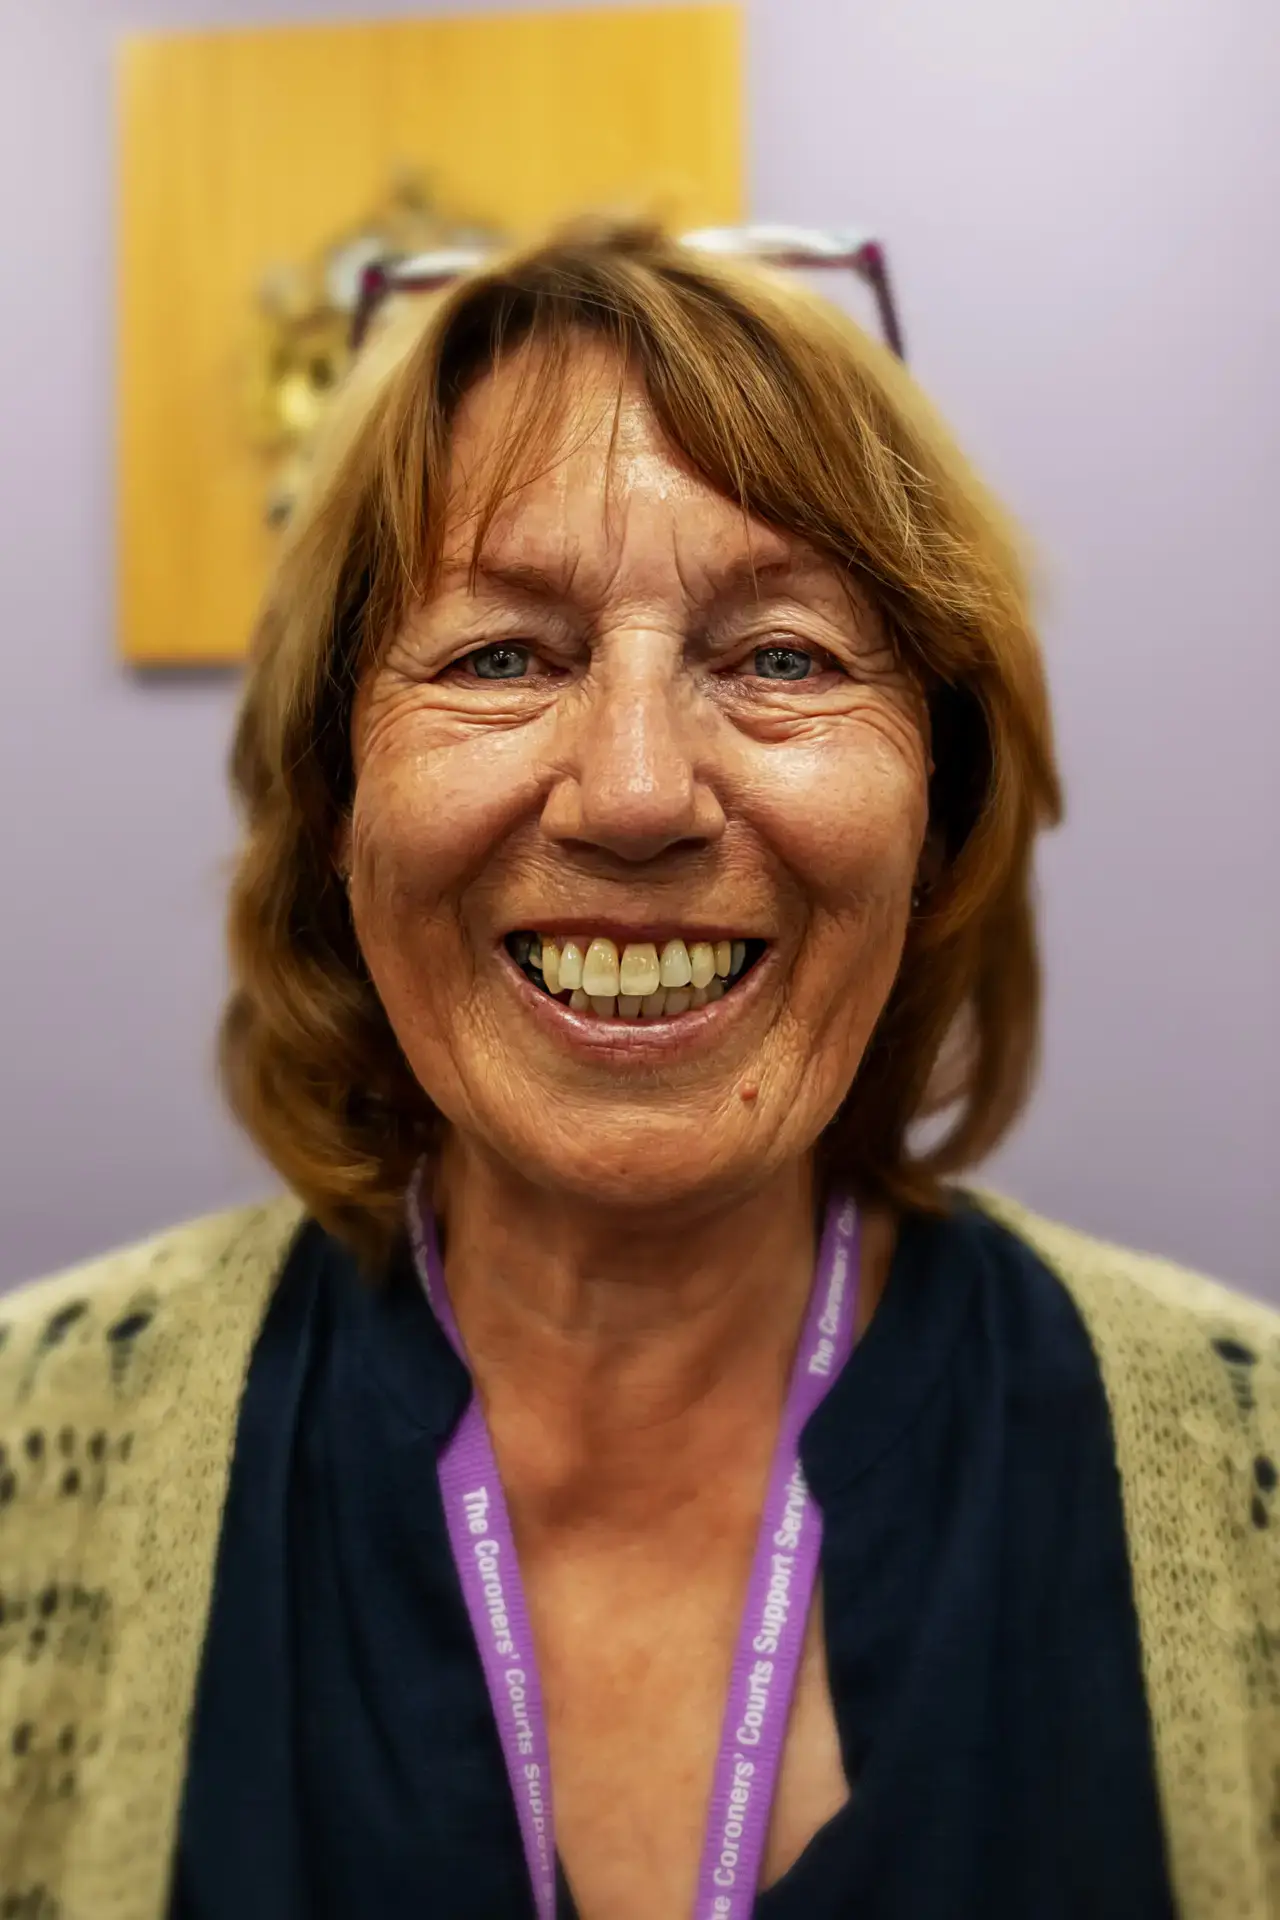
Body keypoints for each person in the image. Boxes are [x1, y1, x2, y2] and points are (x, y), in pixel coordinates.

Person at [2, 220, 1276, 1920]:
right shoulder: (33, 1457)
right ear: (336, 808)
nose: (631, 792)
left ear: (937, 811)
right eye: (502, 655)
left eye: (781, 658)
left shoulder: (1245, 1477)